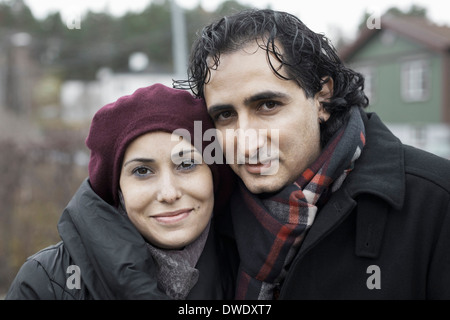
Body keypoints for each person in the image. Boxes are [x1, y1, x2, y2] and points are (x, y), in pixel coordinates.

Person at [174, 8, 450, 299]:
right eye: (226, 114)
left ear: (322, 97)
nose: (246, 143)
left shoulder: (436, 200)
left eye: (268, 105)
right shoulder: (205, 213)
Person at [5, 83, 237, 300]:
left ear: (215, 176)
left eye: (186, 165)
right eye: (143, 171)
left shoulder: (255, 270)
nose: (168, 193)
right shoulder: (46, 282)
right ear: (116, 189)